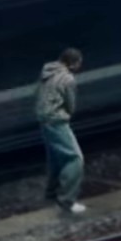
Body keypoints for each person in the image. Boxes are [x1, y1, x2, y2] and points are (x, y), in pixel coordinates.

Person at [34, 48, 86, 214]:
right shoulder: (67, 79)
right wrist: (67, 115)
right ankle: (67, 201)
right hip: (57, 121)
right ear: (73, 63)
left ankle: (51, 193)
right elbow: (70, 104)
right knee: (75, 159)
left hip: (44, 119)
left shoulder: (46, 73)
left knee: (56, 158)